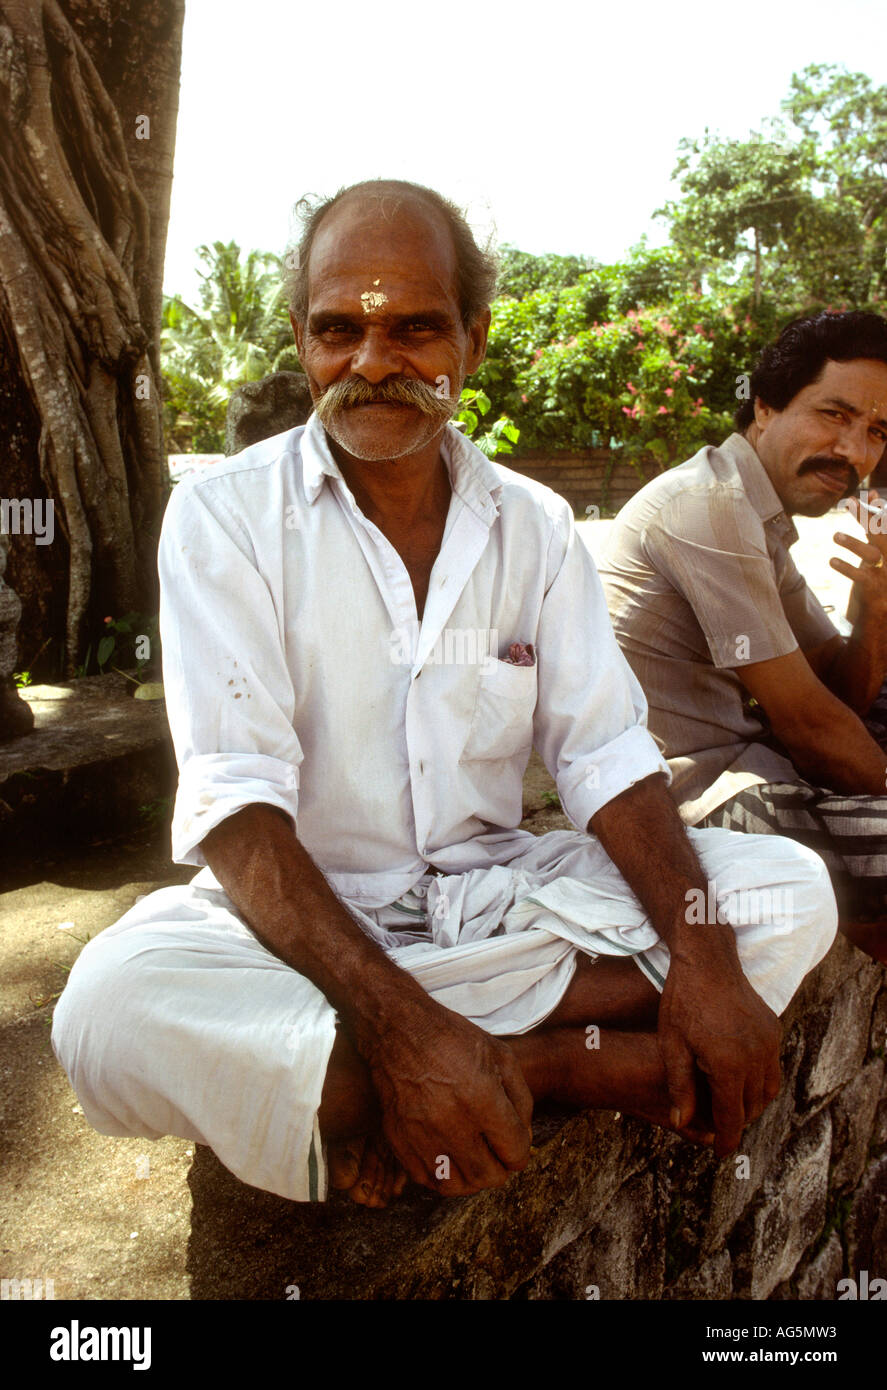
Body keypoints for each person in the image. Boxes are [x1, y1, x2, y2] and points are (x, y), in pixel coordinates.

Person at [52, 182, 836, 1210]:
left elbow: (602, 755)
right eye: (338, 330)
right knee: (107, 1012)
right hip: (297, 931)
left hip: (493, 898)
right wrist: (397, 1024)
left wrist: (697, 950)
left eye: (413, 327)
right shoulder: (224, 517)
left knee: (787, 889)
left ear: (469, 337)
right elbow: (234, 800)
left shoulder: (536, 524)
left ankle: (480, 1076)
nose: (372, 363)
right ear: (301, 339)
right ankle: (548, 1060)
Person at [600, 311, 887, 961]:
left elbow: (842, 694)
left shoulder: (757, 517)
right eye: (833, 414)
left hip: (762, 769)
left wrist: (873, 612)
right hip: (695, 807)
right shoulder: (706, 506)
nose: (855, 452)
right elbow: (815, 732)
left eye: (875, 431)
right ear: (763, 406)